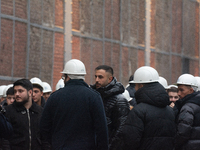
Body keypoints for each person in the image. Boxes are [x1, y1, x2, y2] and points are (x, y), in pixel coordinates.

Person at [40, 59, 108, 150]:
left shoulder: (54, 97)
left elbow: (44, 128)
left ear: (67, 76)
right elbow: (102, 130)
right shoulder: (94, 97)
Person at [121, 66, 176, 150]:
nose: (135, 88)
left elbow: (131, 140)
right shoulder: (170, 110)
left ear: (141, 86)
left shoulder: (139, 111)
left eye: (135, 85)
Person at [2, 79, 50, 150]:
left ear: (30, 92)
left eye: (20, 91)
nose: (17, 94)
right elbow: (4, 138)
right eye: (15, 91)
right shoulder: (8, 112)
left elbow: (45, 137)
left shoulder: (40, 112)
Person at [90, 65, 130, 150]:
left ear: (110, 79)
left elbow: (121, 130)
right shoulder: (93, 96)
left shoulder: (119, 100)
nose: (97, 80)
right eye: (96, 76)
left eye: (100, 77)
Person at [174, 74, 200, 150]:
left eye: (182, 90)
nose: (178, 93)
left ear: (191, 90)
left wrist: (175, 144)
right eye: (178, 90)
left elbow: (183, 133)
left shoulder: (188, 108)